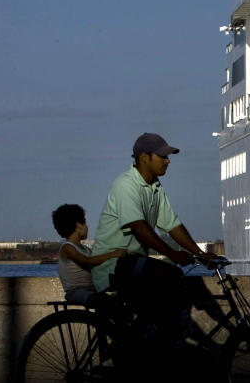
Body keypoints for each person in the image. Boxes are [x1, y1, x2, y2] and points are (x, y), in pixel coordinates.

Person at [90, 132, 224, 352]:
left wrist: (200, 254)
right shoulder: (126, 185)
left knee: (170, 290)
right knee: (171, 278)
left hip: (133, 264)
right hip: (113, 266)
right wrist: (172, 254)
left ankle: (144, 344)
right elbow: (138, 226)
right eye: (162, 156)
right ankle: (135, 348)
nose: (167, 160)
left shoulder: (154, 187)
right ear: (144, 157)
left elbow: (172, 226)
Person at [52, 203, 126, 307]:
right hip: (76, 292)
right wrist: (113, 254)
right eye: (85, 223)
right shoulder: (67, 247)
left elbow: (97, 262)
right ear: (78, 226)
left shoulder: (85, 249)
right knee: (105, 301)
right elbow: (87, 261)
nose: (87, 227)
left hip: (92, 289)